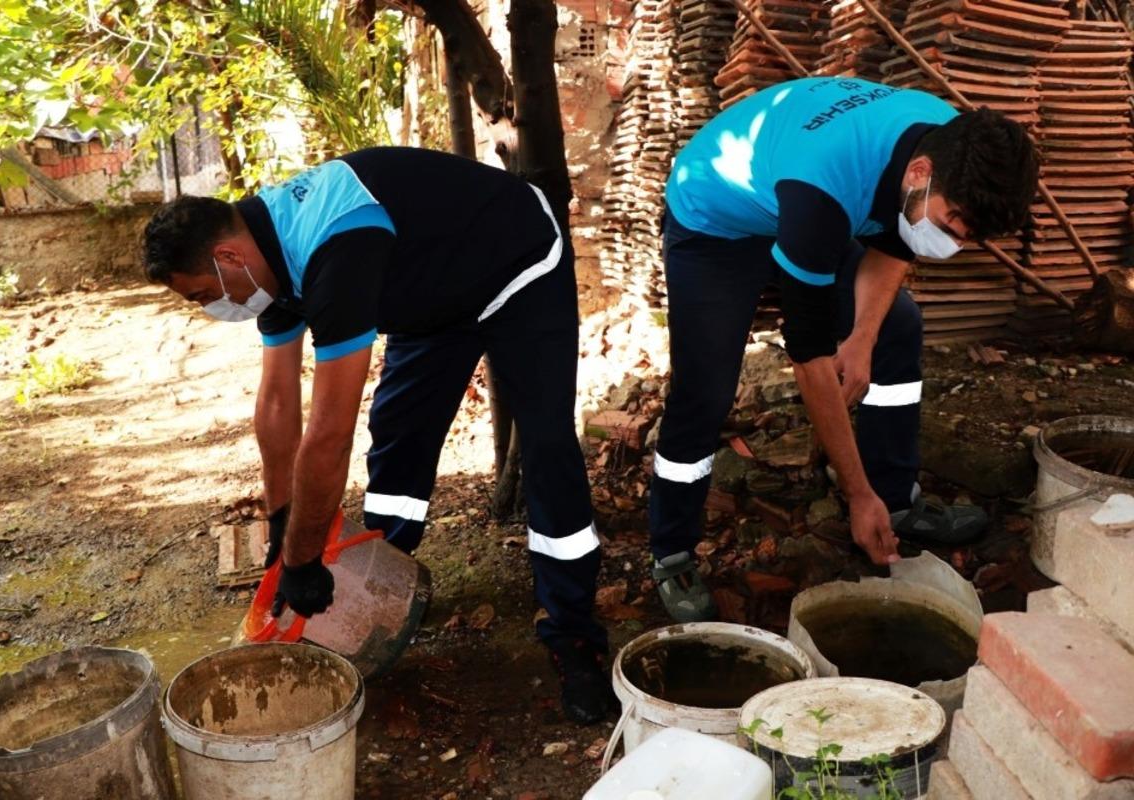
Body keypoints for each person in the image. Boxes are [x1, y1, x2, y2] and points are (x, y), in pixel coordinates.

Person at [142, 147, 617, 724]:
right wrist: (282, 526)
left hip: (514, 263)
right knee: (398, 433)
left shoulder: (336, 249)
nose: (208, 307)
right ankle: (382, 573)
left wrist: (302, 560)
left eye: (201, 294)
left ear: (227, 257)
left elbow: (328, 432)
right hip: (429, 290)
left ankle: (574, 633)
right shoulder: (266, 259)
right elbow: (276, 407)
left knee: (546, 446)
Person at [650, 77, 1038, 621]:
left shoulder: (945, 139)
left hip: (797, 188)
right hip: (718, 222)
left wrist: (862, 338)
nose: (952, 245)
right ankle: (671, 550)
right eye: (952, 226)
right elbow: (809, 360)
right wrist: (854, 494)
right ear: (920, 175)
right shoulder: (822, 192)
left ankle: (895, 499)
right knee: (705, 389)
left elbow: (894, 242)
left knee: (896, 325)